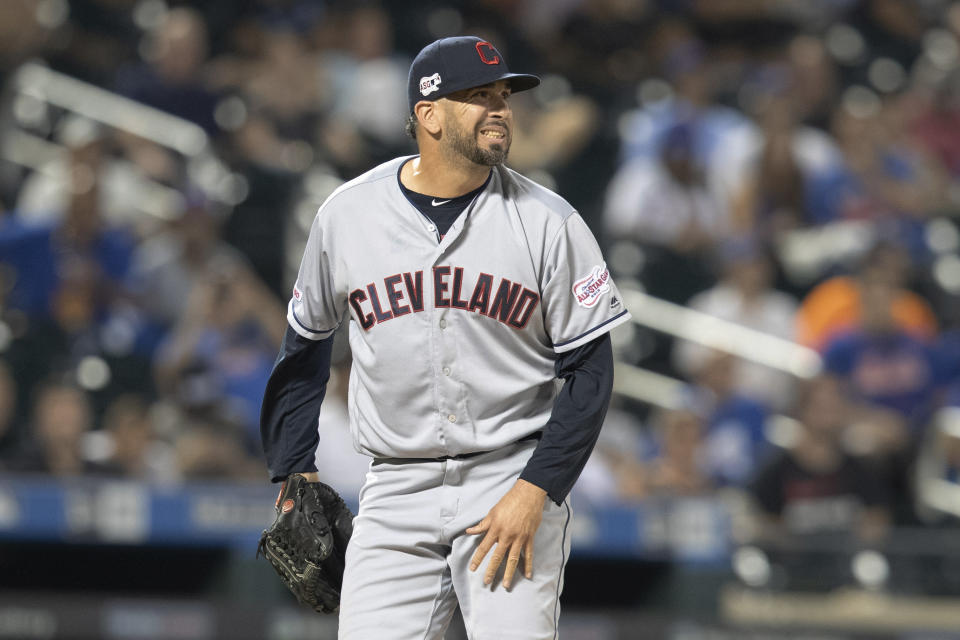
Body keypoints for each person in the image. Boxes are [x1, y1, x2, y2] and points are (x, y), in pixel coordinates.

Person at [260, 36, 631, 639]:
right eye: (478, 97)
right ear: (427, 114)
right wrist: (294, 467)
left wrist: (537, 489)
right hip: (394, 486)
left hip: (507, 478)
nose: (500, 110)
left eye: (503, 97)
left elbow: (591, 374)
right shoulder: (347, 215)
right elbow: (304, 346)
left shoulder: (548, 222)